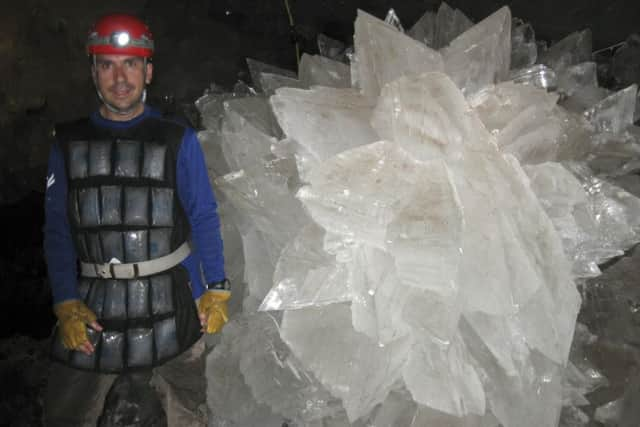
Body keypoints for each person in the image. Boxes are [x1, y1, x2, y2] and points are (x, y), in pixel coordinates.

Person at [43, 13, 229, 426]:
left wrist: (214, 287)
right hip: (94, 305)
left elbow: (203, 215)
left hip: (173, 303)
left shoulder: (178, 140)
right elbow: (57, 230)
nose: (120, 77)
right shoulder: (67, 143)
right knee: (65, 413)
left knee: (188, 409)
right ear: (93, 72)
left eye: (131, 63)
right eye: (108, 64)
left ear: (148, 71)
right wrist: (65, 301)